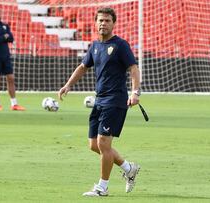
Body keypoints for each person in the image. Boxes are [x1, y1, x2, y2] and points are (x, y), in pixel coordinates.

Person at [58, 7, 141, 197]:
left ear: (114, 24)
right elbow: (82, 66)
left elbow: (134, 69)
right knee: (94, 145)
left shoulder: (120, 45)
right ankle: (129, 168)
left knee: (103, 143)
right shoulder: (95, 46)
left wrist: (135, 92)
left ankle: (102, 187)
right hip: (99, 100)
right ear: (95, 23)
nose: (103, 23)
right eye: (100, 20)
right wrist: (68, 85)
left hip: (116, 100)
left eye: (107, 21)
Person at [0, 6, 25, 111]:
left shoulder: (5, 26)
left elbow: (11, 38)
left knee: (11, 78)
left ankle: (14, 104)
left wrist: (3, 37)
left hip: (6, 56)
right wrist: (4, 37)